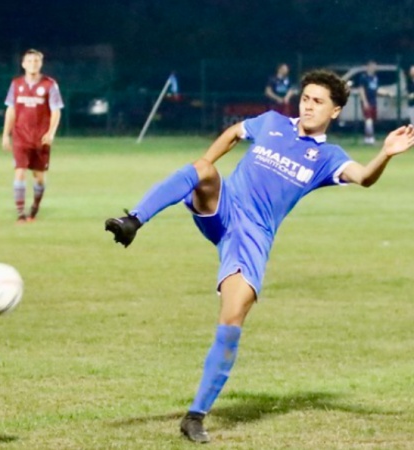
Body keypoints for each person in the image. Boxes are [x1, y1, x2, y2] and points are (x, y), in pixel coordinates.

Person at [104, 70, 414, 444]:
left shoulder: (327, 156)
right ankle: (133, 220)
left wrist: (386, 153)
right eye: (306, 98)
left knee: (232, 318)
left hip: (253, 238)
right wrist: (200, 167)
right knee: (204, 169)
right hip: (224, 207)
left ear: (335, 111)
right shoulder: (272, 123)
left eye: (319, 101)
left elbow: (363, 177)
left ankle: (195, 416)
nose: (309, 105)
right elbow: (235, 133)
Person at [1, 49, 64, 223]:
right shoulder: (16, 84)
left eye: (36, 61)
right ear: (23, 64)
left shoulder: (49, 85)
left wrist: (50, 133)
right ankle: (20, 213)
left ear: (41, 64)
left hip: (40, 138)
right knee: (19, 172)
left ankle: (34, 207)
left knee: (39, 177)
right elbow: (11, 110)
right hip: (20, 136)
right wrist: (6, 134)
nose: (33, 64)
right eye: (29, 61)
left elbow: (56, 111)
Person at [358, 60, 386, 145]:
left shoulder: (375, 78)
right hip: (367, 101)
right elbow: (361, 90)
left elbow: (376, 89)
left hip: (373, 101)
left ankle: (369, 138)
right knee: (368, 120)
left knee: (372, 120)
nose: (374, 68)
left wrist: (386, 93)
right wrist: (365, 101)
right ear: (368, 67)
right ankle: (369, 138)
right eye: (373, 66)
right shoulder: (364, 77)